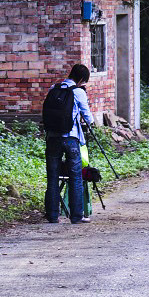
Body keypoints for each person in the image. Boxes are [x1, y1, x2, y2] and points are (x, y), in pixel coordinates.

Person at [44, 64, 94, 224]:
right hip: (70, 138)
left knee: (52, 177)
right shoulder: (78, 92)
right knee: (75, 177)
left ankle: (52, 216)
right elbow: (89, 117)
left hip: (52, 137)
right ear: (80, 80)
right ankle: (76, 216)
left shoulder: (54, 88)